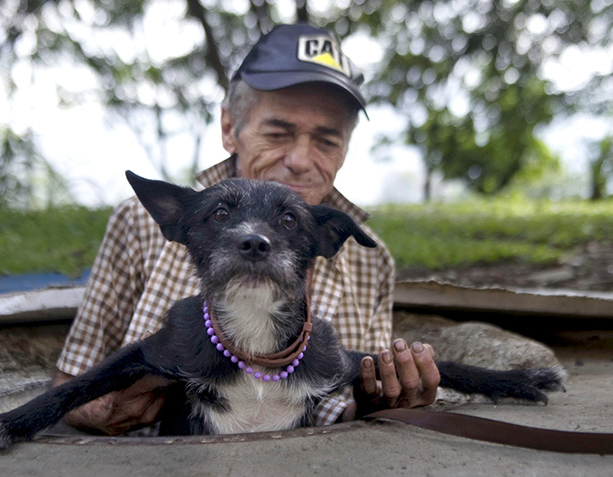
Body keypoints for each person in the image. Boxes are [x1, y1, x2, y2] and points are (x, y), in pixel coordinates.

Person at [52, 23, 440, 436]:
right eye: (277, 133)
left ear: (346, 147)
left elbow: (342, 410)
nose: (299, 160)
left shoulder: (370, 256)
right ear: (228, 128)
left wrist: (382, 401)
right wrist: (105, 410)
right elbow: (71, 382)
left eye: (327, 141)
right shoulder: (142, 221)